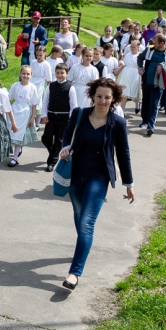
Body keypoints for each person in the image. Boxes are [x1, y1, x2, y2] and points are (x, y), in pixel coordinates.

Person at [59, 78, 134, 291]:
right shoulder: (79, 114)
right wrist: (65, 147)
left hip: (98, 178)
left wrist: (129, 182)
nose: (102, 101)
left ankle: (74, 272)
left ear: (114, 99)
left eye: (107, 97)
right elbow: (67, 134)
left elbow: (123, 153)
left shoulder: (117, 123)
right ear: (93, 96)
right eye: (99, 96)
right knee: (79, 216)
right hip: (76, 175)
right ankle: (82, 246)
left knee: (86, 223)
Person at [41, 63, 77, 172]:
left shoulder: (70, 88)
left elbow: (73, 105)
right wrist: (44, 115)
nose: (60, 75)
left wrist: (72, 119)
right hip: (51, 116)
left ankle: (51, 162)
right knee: (46, 138)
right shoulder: (51, 86)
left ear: (67, 74)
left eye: (62, 73)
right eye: (57, 73)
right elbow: (45, 101)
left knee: (58, 140)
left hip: (64, 118)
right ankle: (54, 152)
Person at [138, 34, 166, 136]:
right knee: (145, 103)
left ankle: (151, 126)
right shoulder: (149, 49)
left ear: (162, 43)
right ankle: (144, 121)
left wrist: (163, 67)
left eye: (155, 41)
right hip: (147, 81)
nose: (153, 43)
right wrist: (140, 68)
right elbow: (140, 58)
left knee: (154, 105)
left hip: (159, 84)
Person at [8, 66, 40, 167]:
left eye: (28, 74)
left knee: (20, 134)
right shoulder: (15, 85)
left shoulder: (32, 87)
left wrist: (32, 118)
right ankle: (14, 150)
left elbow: (35, 104)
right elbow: (8, 99)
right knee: (11, 131)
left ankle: (15, 157)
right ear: (20, 74)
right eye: (24, 73)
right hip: (14, 110)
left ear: (31, 75)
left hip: (25, 112)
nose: (25, 76)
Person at [116, 40, 142, 115]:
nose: (132, 48)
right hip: (126, 74)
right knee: (124, 93)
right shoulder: (127, 55)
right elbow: (123, 64)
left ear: (138, 47)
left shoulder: (140, 56)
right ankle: (122, 111)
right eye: (131, 46)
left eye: (134, 47)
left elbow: (141, 67)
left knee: (133, 93)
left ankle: (137, 104)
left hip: (135, 75)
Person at [30, 45, 53, 128]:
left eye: (41, 55)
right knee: (30, 100)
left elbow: (49, 79)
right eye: (37, 55)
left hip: (41, 83)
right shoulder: (33, 62)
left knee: (39, 102)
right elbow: (30, 72)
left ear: (44, 54)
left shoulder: (46, 64)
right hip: (32, 82)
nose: (39, 57)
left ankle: (37, 123)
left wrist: (49, 88)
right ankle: (30, 120)